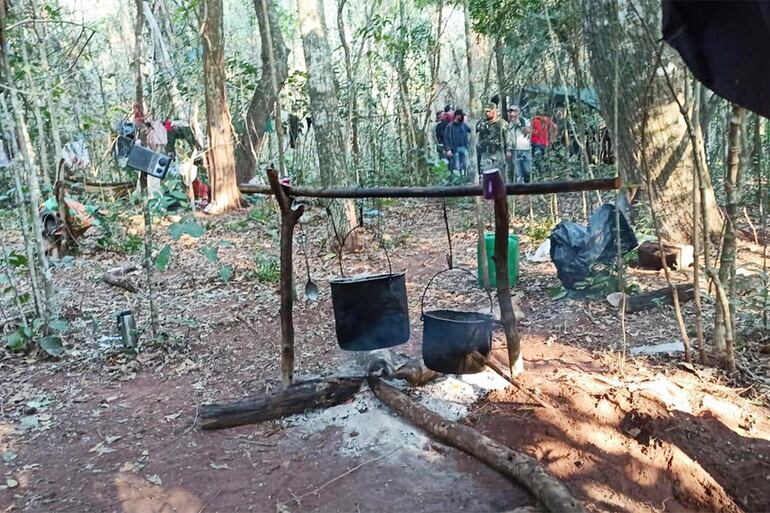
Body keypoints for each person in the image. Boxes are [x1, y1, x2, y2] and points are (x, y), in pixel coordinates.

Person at [475, 102, 507, 178]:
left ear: (494, 111)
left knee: (499, 177)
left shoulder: (501, 123)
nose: (486, 113)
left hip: (498, 154)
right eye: (485, 111)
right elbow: (478, 136)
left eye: (488, 111)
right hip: (486, 154)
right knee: (485, 176)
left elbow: (506, 138)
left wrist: (506, 151)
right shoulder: (482, 123)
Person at [505, 105, 532, 183]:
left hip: (526, 150)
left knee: (527, 171)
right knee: (517, 173)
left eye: (514, 112)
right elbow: (509, 138)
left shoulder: (525, 121)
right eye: (510, 112)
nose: (512, 114)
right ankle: (520, 192)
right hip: (515, 151)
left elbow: (527, 131)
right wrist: (508, 150)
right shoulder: (509, 125)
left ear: (518, 113)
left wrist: (518, 124)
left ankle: (529, 188)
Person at [443, 109, 470, 181]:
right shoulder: (450, 126)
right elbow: (446, 139)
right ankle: (457, 183)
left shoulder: (464, 125)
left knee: (465, 166)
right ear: (457, 116)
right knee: (456, 167)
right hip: (455, 149)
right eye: (461, 116)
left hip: (464, 148)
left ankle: (464, 181)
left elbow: (472, 130)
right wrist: (448, 149)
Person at [530, 108, 557, 173]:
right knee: (542, 159)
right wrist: (552, 139)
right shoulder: (547, 119)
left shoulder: (534, 120)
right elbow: (555, 127)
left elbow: (532, 131)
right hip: (544, 143)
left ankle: (541, 174)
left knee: (538, 160)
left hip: (536, 143)